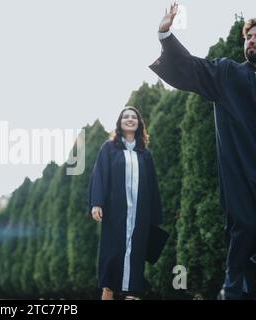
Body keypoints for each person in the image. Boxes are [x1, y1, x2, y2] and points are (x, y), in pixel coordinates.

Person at [150, 3, 256, 300]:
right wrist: (165, 34)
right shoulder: (228, 76)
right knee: (245, 237)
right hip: (243, 185)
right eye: (248, 37)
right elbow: (192, 68)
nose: (251, 40)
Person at [88, 107, 162, 300]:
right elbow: (100, 176)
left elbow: (153, 186)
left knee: (136, 259)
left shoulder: (145, 153)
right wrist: (97, 203)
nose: (130, 119)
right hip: (115, 214)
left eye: (134, 117)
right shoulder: (109, 148)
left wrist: (156, 216)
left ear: (139, 123)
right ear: (120, 123)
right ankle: (108, 293)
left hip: (140, 215)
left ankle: (131, 294)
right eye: (125, 117)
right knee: (112, 260)